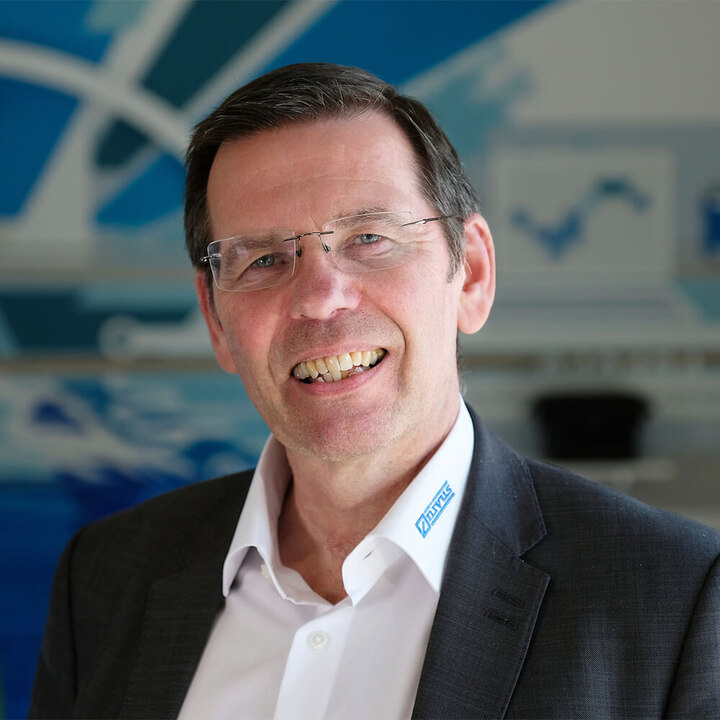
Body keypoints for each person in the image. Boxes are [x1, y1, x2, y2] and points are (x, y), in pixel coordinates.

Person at [30, 63, 720, 720]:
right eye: (263, 259)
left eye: (369, 238)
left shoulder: (674, 599)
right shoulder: (104, 579)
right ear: (216, 320)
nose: (320, 297)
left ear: (472, 275)